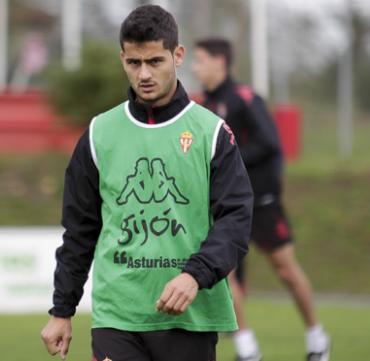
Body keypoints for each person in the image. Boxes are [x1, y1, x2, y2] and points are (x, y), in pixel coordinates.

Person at [41, 5, 253, 361]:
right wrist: (62, 310)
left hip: (191, 318)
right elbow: (79, 230)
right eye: (134, 63)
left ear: (178, 55)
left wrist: (194, 276)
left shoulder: (210, 132)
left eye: (155, 61)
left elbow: (235, 218)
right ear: (122, 58)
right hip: (118, 318)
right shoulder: (98, 134)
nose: (143, 74)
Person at [191, 37, 331, 361]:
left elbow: (270, 143)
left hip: (262, 202)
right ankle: (248, 350)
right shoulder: (202, 107)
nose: (195, 67)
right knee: (224, 275)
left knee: (286, 270)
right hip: (225, 207)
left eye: (199, 60)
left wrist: (230, 156)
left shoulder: (246, 99)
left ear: (219, 62)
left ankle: (317, 339)